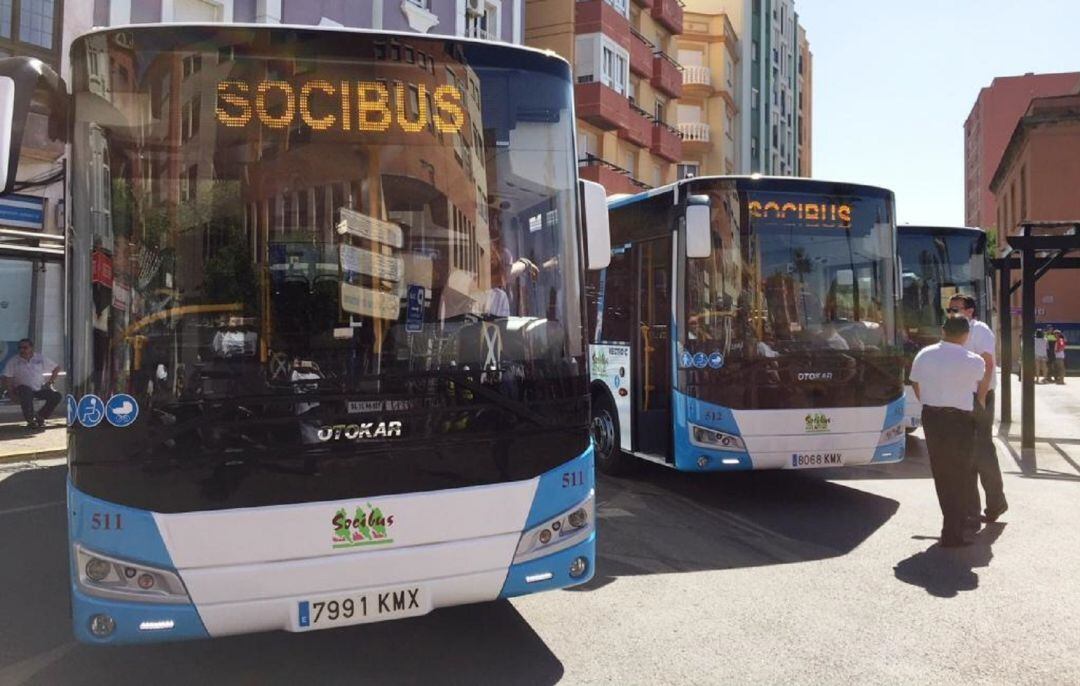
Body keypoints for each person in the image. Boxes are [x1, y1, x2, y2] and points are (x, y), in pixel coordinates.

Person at [909, 316, 989, 547]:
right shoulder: (974, 361)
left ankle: (951, 526)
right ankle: (955, 529)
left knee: (942, 472)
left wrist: (928, 401)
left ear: (943, 331)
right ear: (966, 335)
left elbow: (915, 383)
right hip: (960, 420)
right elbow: (978, 384)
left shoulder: (924, 354)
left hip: (932, 417)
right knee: (961, 473)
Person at [948, 294, 1008, 523]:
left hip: (979, 396)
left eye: (956, 308)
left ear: (970, 311)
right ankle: (971, 509)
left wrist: (981, 398)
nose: (951, 313)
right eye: (949, 309)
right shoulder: (953, 331)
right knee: (965, 451)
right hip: (961, 397)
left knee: (982, 450)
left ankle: (996, 504)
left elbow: (988, 365)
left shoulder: (979, 330)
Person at [1, 339, 62, 430]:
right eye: (20, 348)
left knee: (56, 396)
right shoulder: (14, 361)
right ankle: (30, 420)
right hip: (21, 389)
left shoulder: (40, 358)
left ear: (31, 348)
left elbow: (56, 368)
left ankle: (40, 416)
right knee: (26, 391)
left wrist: (50, 382)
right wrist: (11, 393)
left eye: (25, 347)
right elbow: (7, 377)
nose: (22, 350)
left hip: (38, 388)